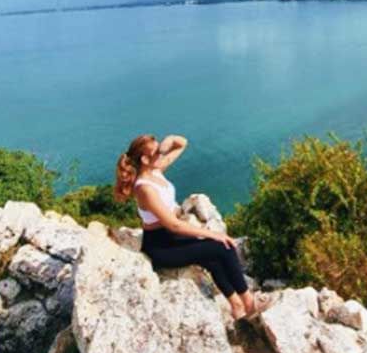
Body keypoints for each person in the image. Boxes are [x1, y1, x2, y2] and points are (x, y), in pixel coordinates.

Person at [114, 133, 267, 321]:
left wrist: (167, 142)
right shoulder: (144, 187)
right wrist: (213, 234)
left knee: (212, 258)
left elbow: (182, 143)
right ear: (145, 159)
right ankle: (249, 304)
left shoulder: (156, 170)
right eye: (157, 151)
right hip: (161, 246)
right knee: (222, 247)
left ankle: (236, 306)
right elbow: (173, 224)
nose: (161, 154)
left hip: (172, 238)